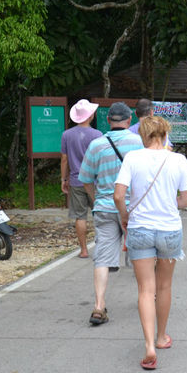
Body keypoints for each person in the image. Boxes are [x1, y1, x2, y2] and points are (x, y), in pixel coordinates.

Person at [114, 116, 187, 371]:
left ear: (143, 134)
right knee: (164, 286)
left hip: (139, 228)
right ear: (165, 133)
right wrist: (168, 206)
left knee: (144, 289)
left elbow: (118, 195)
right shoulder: (178, 160)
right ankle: (162, 337)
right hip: (170, 230)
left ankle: (148, 344)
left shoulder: (132, 158)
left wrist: (125, 215)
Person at [77, 102, 143, 325]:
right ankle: (146, 297)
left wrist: (96, 199)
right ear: (129, 120)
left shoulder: (96, 145)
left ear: (107, 121)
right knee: (141, 255)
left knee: (102, 258)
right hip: (133, 208)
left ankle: (98, 306)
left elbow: (85, 179)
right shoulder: (139, 143)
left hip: (104, 206)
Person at [61, 99, 102, 258]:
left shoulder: (67, 135)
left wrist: (64, 179)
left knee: (80, 216)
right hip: (95, 181)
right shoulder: (97, 135)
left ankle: (84, 250)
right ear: (90, 115)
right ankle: (101, 248)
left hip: (76, 180)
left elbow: (64, 159)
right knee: (99, 214)